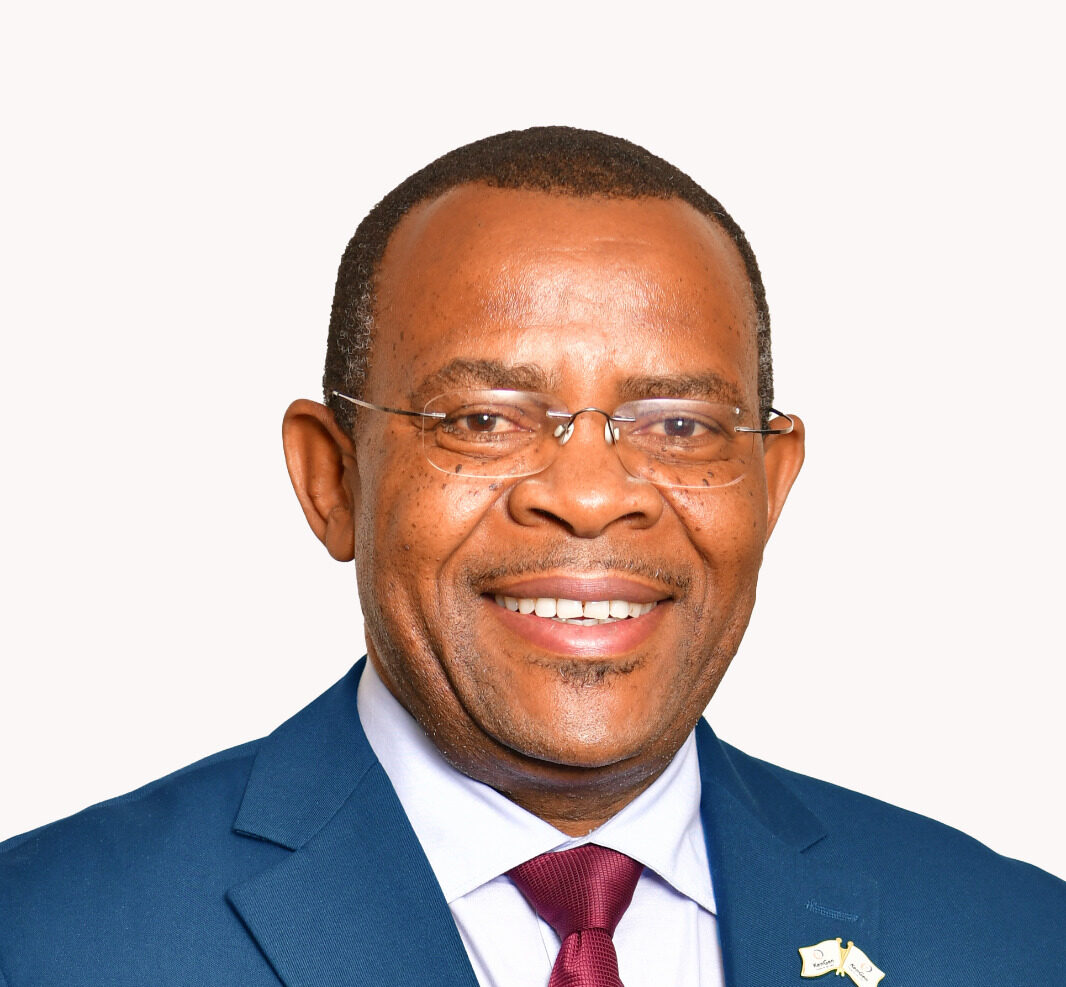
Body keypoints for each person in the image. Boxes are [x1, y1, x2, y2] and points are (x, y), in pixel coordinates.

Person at [0, 127, 1062, 987]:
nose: (590, 496)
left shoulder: (1015, 942)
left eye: (680, 425)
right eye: (483, 419)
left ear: (770, 485)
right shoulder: (47, 941)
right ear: (334, 480)